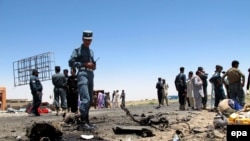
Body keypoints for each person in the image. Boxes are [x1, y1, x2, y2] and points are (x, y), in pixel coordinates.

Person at [68, 30, 96, 130]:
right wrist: (84, 64)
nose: (88, 42)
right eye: (86, 40)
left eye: (90, 40)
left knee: (90, 100)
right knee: (85, 99)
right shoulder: (77, 50)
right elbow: (71, 62)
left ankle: (87, 121)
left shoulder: (91, 51)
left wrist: (93, 66)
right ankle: (82, 122)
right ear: (82, 39)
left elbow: (93, 64)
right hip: (82, 73)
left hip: (90, 74)